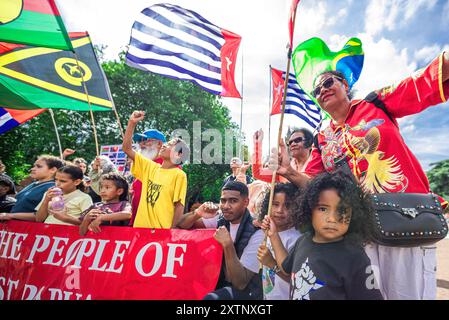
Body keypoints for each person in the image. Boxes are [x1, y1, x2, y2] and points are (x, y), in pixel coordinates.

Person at [270, 51, 449, 299]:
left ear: (345, 85)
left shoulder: (376, 103)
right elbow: (314, 186)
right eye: (317, 91)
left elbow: (424, 83)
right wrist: (289, 172)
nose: (322, 90)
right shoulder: (322, 138)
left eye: (328, 82)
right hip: (360, 232)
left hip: (403, 220)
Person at [274, 172, 383, 300]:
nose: (331, 218)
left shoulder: (355, 257)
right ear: (309, 209)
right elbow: (286, 268)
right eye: (323, 209)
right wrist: (273, 235)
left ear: (354, 214)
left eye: (342, 210)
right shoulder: (303, 241)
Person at [177, 181, 263, 300]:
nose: (226, 206)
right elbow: (181, 225)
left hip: (248, 293)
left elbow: (241, 283)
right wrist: (198, 213)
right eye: (223, 200)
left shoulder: (257, 231)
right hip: (219, 282)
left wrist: (227, 244)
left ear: (245, 202)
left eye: (233, 201)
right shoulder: (221, 218)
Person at [122, 110, 188, 229]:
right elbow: (127, 149)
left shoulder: (179, 174)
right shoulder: (149, 167)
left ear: (178, 155)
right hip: (140, 228)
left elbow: (179, 205)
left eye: (169, 145)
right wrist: (131, 123)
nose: (164, 145)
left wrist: (173, 231)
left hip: (162, 231)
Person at [256, 183, 301, 300]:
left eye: (287, 205)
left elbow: (297, 281)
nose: (280, 210)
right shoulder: (267, 233)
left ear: (297, 208)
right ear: (268, 205)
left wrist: (271, 263)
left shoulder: (297, 239)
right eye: (275, 204)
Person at [0, 155, 64, 221]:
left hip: (30, 228)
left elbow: (42, 216)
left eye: (39, 166)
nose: (32, 169)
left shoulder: (53, 188)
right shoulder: (35, 183)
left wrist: (10, 215)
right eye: (34, 166)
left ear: (53, 170)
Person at [129, 128, 167, 226]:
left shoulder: (169, 166)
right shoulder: (143, 166)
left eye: (146, 141)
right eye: (140, 141)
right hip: (137, 224)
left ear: (159, 144)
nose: (141, 145)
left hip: (155, 227)